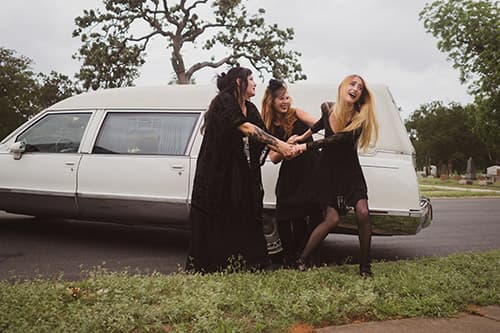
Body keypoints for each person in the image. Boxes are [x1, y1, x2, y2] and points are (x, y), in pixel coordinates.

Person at [186, 67, 298, 273]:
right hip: (216, 173)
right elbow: (245, 128)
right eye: (251, 79)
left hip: (239, 173)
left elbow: (260, 134)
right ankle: (213, 267)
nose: (255, 83)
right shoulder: (224, 101)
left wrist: (285, 147)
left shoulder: (250, 107)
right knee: (217, 215)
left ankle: (248, 265)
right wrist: (280, 145)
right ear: (239, 82)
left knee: (246, 210)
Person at [292, 74, 379, 277]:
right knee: (332, 219)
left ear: (361, 96)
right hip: (326, 170)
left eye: (360, 88)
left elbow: (335, 140)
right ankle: (301, 259)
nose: (356, 89)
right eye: (352, 84)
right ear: (342, 87)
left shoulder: (360, 119)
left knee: (363, 213)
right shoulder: (327, 108)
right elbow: (319, 125)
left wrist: (306, 146)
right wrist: (301, 137)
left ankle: (365, 268)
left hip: (350, 171)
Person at [261, 79, 322, 268]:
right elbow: (273, 157)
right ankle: (289, 259)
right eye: (280, 98)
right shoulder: (270, 126)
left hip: (311, 168)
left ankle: (307, 257)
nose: (285, 101)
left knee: (311, 214)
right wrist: (286, 144)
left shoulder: (297, 113)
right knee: (285, 215)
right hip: (291, 171)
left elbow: (319, 124)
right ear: (272, 101)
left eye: (287, 97)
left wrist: (303, 138)